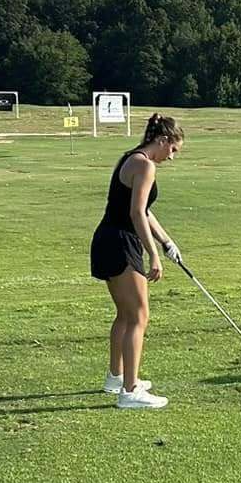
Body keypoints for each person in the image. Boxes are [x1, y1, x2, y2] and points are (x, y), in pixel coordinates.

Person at [90, 113, 185, 409]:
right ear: (163, 140)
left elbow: (143, 211)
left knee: (125, 314)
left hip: (108, 239)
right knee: (139, 316)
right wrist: (154, 254)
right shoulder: (145, 165)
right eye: (173, 150)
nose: (172, 157)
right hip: (120, 242)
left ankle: (116, 378)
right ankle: (130, 392)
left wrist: (167, 242)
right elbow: (135, 213)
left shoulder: (130, 158)